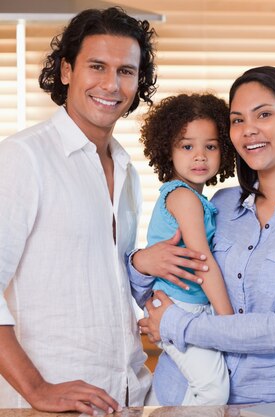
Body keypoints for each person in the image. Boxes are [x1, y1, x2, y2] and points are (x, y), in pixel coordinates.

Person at [129, 66, 275, 405]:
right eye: (237, 120)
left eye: (264, 114)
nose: (249, 130)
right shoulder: (220, 204)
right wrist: (142, 262)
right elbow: (165, 291)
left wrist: (177, 326)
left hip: (268, 408)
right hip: (174, 399)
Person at [0, 7, 157, 415]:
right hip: (49, 403)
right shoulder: (23, 158)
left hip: (127, 393)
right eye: (97, 66)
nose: (112, 84)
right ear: (67, 70)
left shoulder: (128, 171)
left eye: (126, 71)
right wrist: (37, 389)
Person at [139, 93, 237, 405]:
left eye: (210, 146)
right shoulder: (183, 197)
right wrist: (227, 322)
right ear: (168, 149)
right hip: (178, 308)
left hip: (186, 306)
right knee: (213, 389)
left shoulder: (199, 200)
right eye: (187, 146)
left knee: (184, 389)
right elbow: (202, 260)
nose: (200, 156)